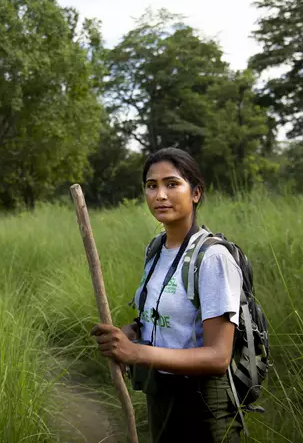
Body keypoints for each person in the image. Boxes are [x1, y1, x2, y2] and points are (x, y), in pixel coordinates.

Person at [91, 147, 244, 442]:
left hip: (200, 404)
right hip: (159, 392)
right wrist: (131, 332)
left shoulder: (212, 258)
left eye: (172, 184)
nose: (160, 195)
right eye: (152, 186)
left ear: (196, 193)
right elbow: (165, 315)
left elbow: (218, 356)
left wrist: (135, 353)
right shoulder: (156, 249)